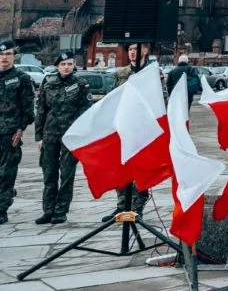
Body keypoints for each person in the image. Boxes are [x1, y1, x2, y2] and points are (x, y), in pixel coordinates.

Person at [34, 51, 92, 224]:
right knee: (49, 173)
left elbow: (86, 111)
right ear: (57, 66)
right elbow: (41, 110)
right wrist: (39, 136)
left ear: (74, 65)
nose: (66, 67)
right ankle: (48, 210)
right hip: (50, 134)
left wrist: (82, 135)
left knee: (67, 174)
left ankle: (61, 210)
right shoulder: (48, 82)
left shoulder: (81, 84)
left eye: (70, 64)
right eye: (63, 64)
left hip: (70, 135)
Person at [104, 42, 159, 220]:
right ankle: (121, 206)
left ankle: (138, 206)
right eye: (131, 50)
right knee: (121, 168)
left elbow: (161, 101)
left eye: (137, 49)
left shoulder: (152, 74)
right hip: (123, 127)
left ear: (145, 50)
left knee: (142, 169)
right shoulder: (121, 74)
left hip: (144, 129)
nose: (133, 52)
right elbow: (112, 99)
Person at [0, 40, 35, 225]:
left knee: (6, 173)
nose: (4, 57)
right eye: (1, 54)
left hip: (10, 133)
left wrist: (21, 129)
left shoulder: (21, 78)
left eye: (8, 54)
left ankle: (2, 209)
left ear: (14, 55)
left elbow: (28, 109)